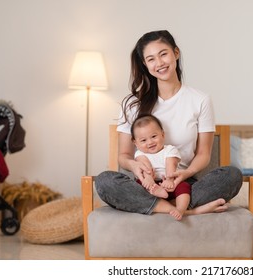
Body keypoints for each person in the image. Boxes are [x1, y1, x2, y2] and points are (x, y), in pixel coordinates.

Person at [95, 30, 243, 217]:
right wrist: (134, 167)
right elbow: (124, 155)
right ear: (145, 64)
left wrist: (185, 174)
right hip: (145, 185)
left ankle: (159, 207)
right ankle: (188, 210)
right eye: (151, 59)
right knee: (105, 181)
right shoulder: (131, 103)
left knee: (231, 175)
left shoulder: (200, 100)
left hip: (183, 183)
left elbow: (203, 154)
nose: (159, 63)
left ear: (176, 53)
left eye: (163, 54)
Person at [131, 113, 191, 220]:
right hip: (152, 185)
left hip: (170, 183)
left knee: (184, 186)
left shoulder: (169, 149)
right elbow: (145, 167)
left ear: (162, 134)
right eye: (143, 140)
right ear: (136, 143)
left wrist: (169, 179)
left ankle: (181, 209)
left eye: (154, 136)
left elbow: (171, 164)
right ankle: (162, 200)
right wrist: (149, 180)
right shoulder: (139, 154)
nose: (150, 142)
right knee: (138, 185)